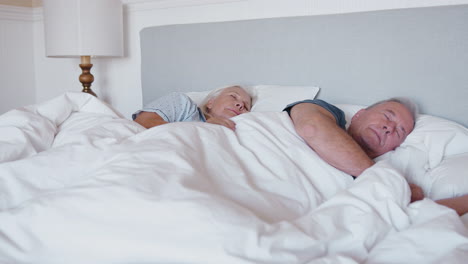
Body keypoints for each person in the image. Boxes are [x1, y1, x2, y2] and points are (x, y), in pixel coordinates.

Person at [284, 98, 467, 216]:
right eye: (387, 115)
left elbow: (416, 216)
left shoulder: (384, 175)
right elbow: (312, 128)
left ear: (396, 146)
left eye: (400, 131)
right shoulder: (328, 112)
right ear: (358, 115)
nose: (389, 127)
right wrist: (391, 183)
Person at [133, 85, 253, 130]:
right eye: (233, 96)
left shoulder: (240, 130)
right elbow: (143, 122)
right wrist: (204, 126)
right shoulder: (182, 104)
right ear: (211, 102)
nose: (240, 104)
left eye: (246, 106)